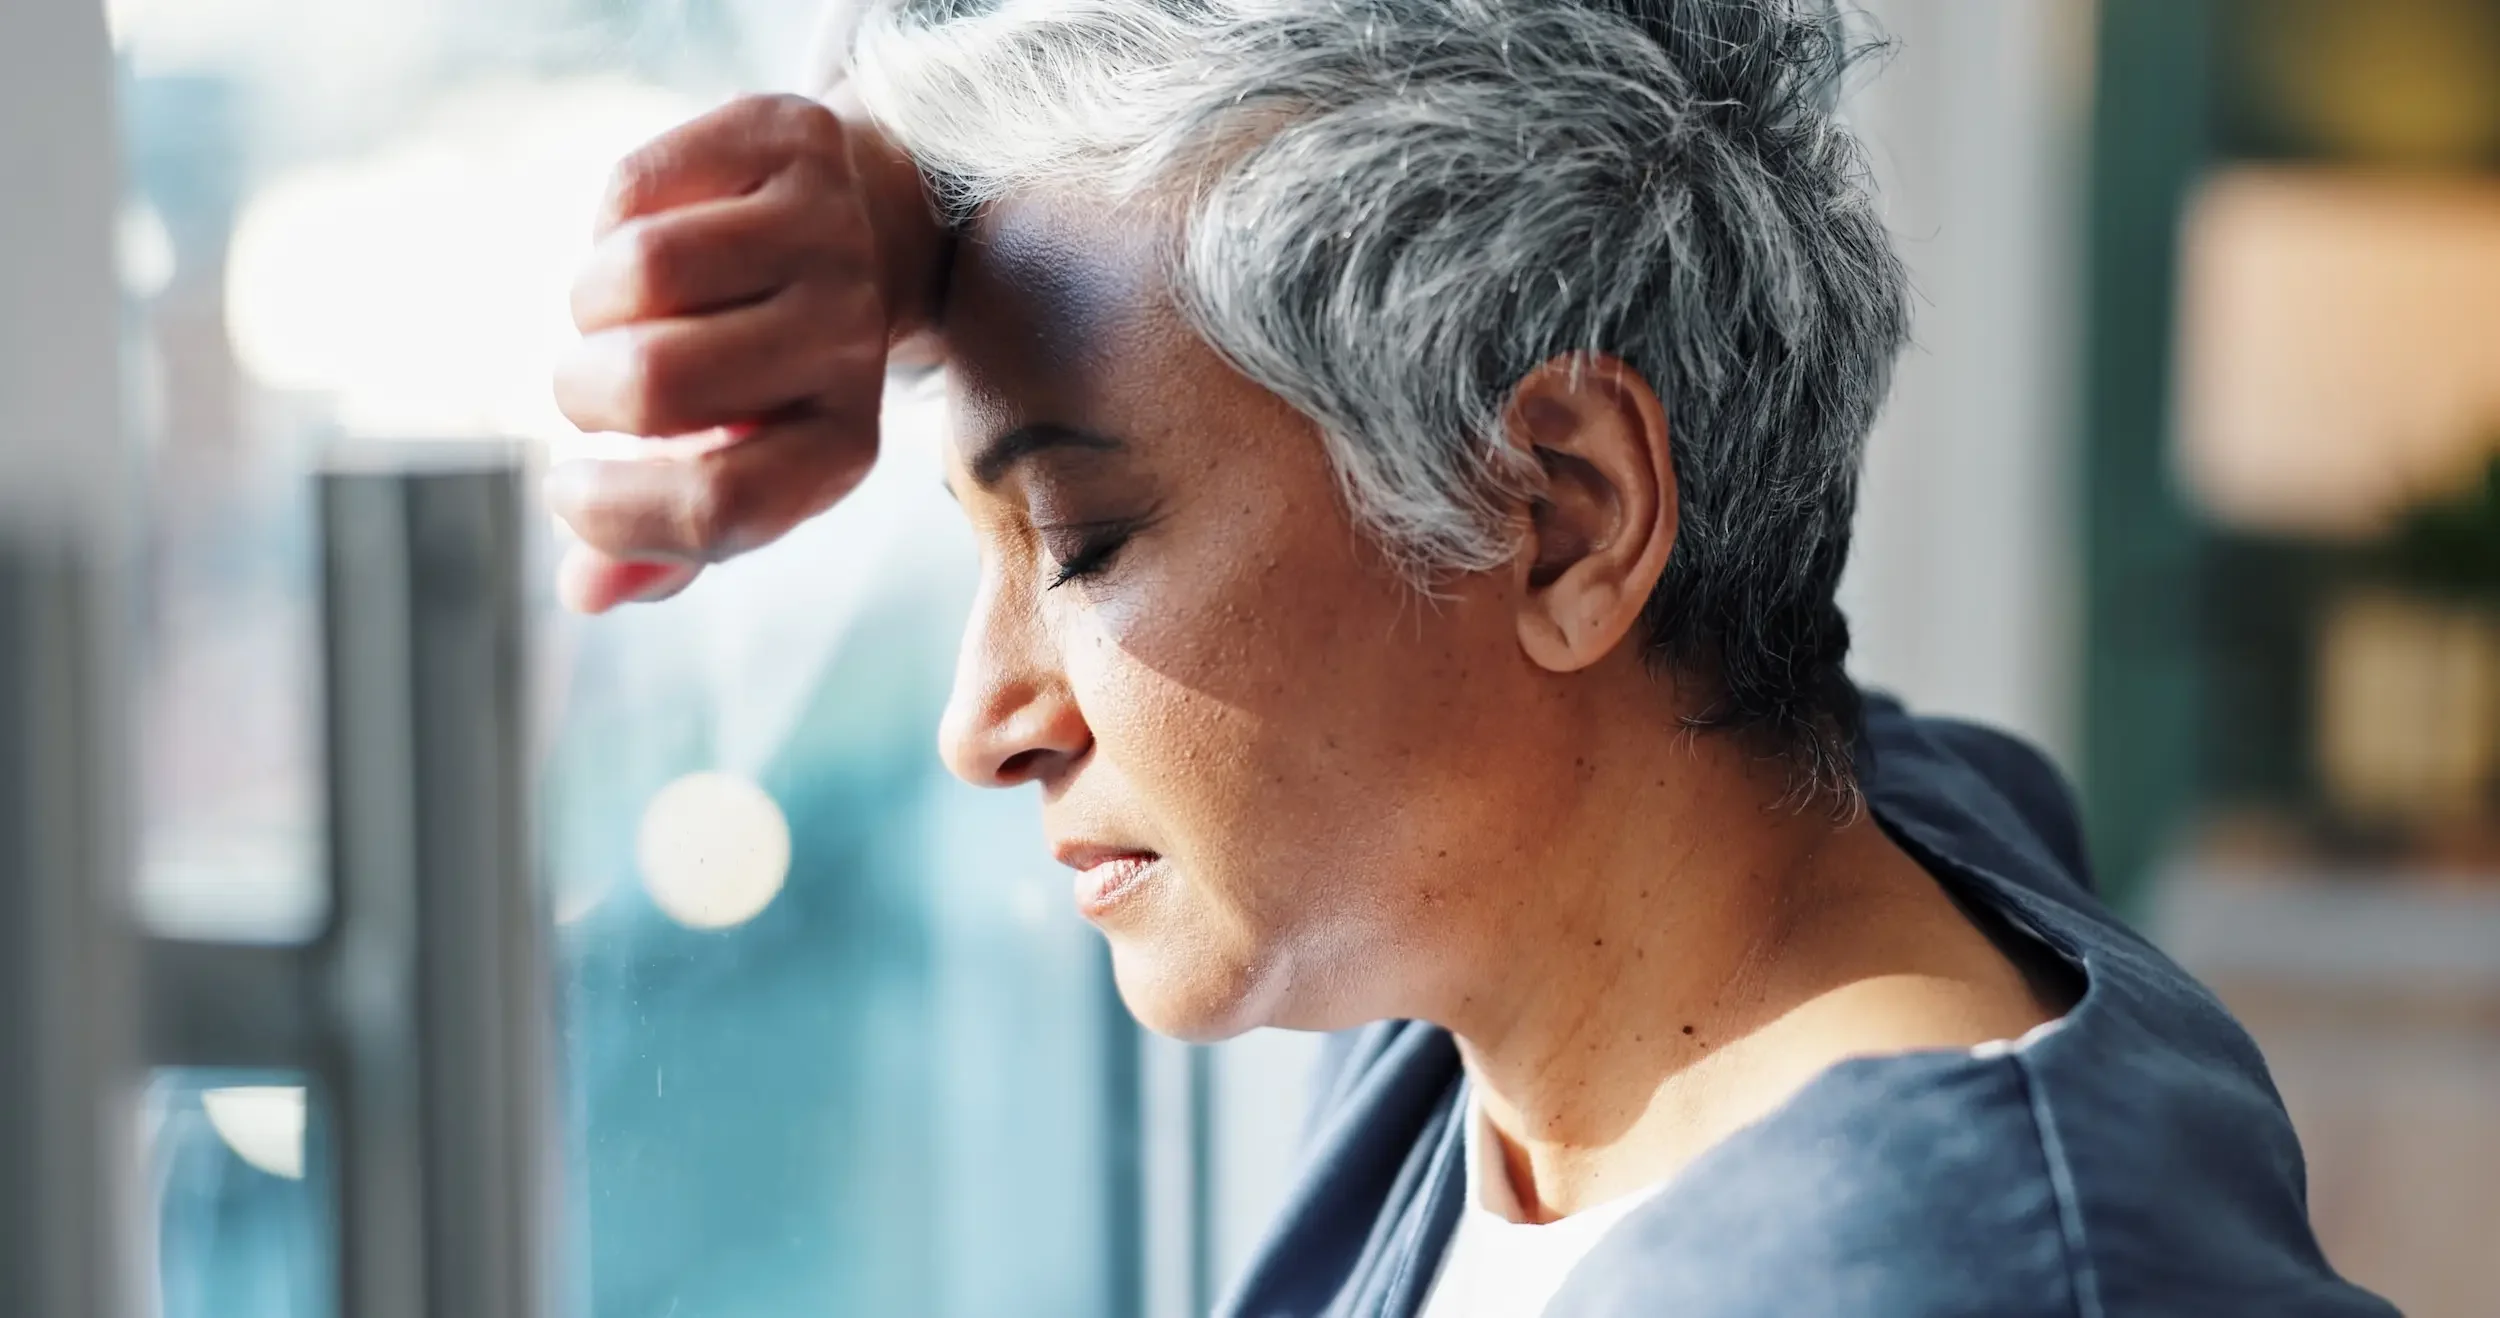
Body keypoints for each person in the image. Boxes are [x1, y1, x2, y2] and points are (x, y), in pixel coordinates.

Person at [546, 0, 2399, 1313]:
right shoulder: (1791, 868)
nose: (984, 722)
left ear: (1569, 514)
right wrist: (889, 191)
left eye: (1088, 543)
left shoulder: (1946, 1271)